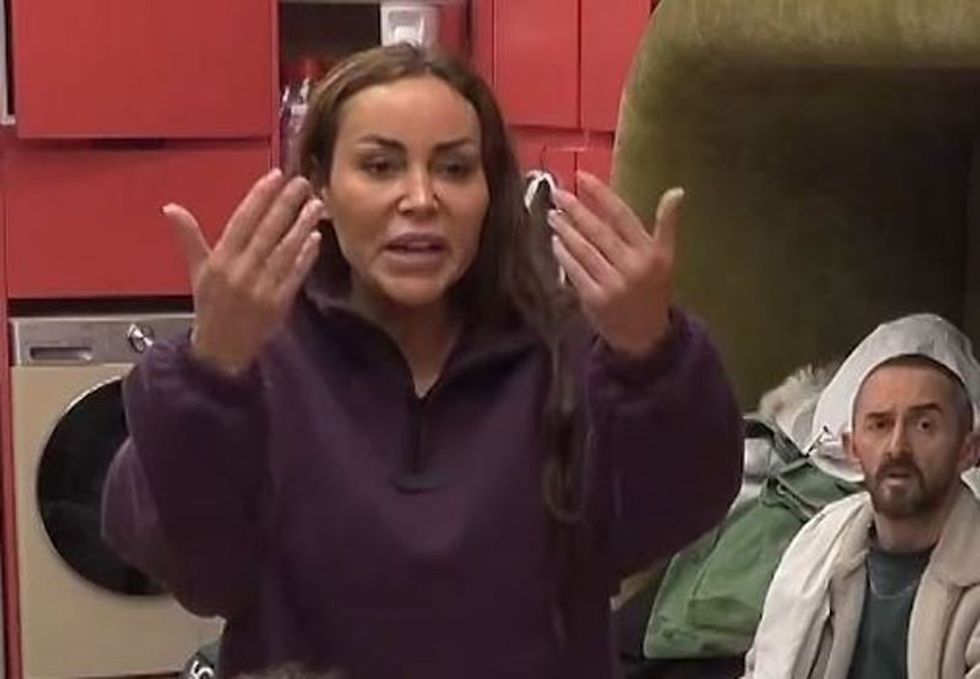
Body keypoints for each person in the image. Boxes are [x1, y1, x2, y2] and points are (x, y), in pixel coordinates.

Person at [102, 44, 742, 679]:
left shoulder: (569, 352)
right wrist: (210, 372)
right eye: (380, 166)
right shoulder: (260, 357)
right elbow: (197, 572)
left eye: (454, 169)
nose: (420, 198)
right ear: (321, 183)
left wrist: (651, 355)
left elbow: (670, 516)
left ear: (491, 190)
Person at [744, 314, 980, 678]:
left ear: (968, 450)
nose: (897, 447)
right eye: (879, 425)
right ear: (852, 449)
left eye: (924, 425)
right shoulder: (819, 545)